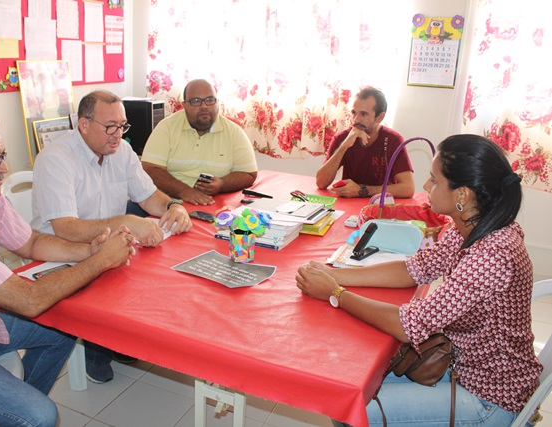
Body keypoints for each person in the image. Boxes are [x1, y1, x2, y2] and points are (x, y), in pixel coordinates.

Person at [0, 107, 135, 427]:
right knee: (40, 415)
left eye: (1, 155)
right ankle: (21, 416)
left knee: (64, 327)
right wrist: (100, 262)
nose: (4, 168)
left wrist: (89, 251)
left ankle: (10, 416)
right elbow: (29, 301)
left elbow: (30, 243)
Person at [297, 134, 542, 426]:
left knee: (352, 411)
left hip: (488, 397)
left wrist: (336, 293)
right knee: (350, 387)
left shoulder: (492, 255)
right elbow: (415, 268)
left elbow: (408, 325)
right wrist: (335, 274)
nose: (426, 187)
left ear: (462, 195)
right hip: (460, 366)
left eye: (435, 181)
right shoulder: (470, 226)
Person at [31, 90, 193, 384]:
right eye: (110, 127)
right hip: (61, 251)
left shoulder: (122, 151)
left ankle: (120, 338)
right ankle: (97, 349)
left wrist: (173, 206)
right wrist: (126, 221)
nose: (118, 134)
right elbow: (65, 228)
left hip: (109, 244)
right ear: (83, 125)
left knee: (159, 272)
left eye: (122, 125)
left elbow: (148, 196)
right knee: (119, 272)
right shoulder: (56, 158)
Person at [141, 79, 258, 205]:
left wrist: (222, 184)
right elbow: (150, 169)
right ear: (184, 105)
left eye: (210, 100)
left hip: (213, 205)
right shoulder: (167, 127)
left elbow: (249, 174)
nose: (204, 106)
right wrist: (184, 191)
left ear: (217, 102)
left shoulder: (234, 132)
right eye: (196, 101)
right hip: (167, 203)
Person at [316, 86, 415, 199]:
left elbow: (408, 188)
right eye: (354, 113)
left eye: (363, 114)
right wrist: (344, 146)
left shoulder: (393, 140)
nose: (356, 120)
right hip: (348, 205)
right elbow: (321, 183)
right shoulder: (342, 138)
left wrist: (362, 190)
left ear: (380, 117)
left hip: (380, 205)